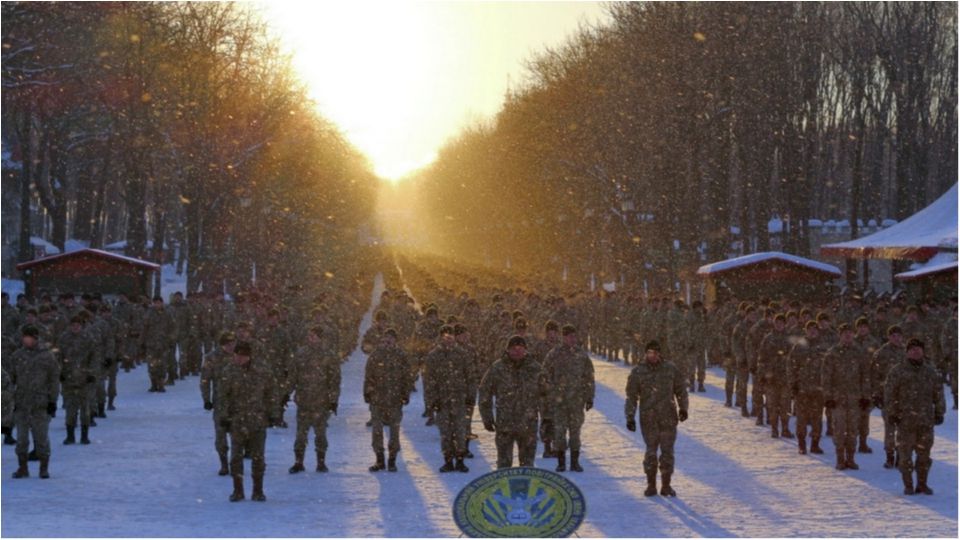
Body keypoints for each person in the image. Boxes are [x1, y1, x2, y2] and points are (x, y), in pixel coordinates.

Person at [625, 340, 688, 497]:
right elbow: (631, 396)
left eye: (656, 352)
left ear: (660, 353)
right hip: (649, 418)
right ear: (646, 353)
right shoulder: (638, 371)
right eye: (650, 352)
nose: (653, 356)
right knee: (651, 452)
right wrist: (630, 416)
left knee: (667, 452)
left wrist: (683, 408)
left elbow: (681, 390)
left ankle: (666, 485)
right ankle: (651, 485)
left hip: (668, 417)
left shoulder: (670, 369)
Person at [218, 341, 278, 502]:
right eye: (236, 355)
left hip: (257, 420)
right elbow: (222, 397)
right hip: (236, 421)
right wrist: (224, 417)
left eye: (242, 356)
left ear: (249, 356)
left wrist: (273, 414)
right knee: (236, 458)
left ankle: (258, 490)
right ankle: (237, 490)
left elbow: (271, 393)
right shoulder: (228, 371)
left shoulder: (262, 370)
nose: (238, 358)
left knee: (258, 457)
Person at [884, 338, 946, 495]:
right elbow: (890, 394)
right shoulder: (898, 371)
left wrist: (940, 412)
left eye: (918, 349)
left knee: (924, 455)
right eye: (912, 349)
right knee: (905, 456)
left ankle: (922, 484)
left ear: (923, 352)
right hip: (905, 421)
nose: (915, 351)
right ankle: (908, 485)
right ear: (907, 352)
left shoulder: (930, 372)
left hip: (926, 421)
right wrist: (892, 413)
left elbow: (938, 393)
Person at [479, 335, 547, 469]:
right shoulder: (497, 368)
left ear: (525, 350)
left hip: (528, 424)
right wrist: (487, 417)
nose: (517, 352)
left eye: (520, 349)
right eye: (514, 349)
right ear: (508, 350)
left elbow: (546, 394)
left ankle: (525, 482)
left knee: (527, 465)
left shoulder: (535, 369)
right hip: (505, 424)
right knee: (504, 465)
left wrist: (547, 418)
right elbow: (484, 392)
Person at [286, 326, 341, 474]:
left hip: (321, 401)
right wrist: (286, 392)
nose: (310, 339)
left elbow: (334, 380)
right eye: (309, 336)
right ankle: (298, 462)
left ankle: (321, 462)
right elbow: (293, 375)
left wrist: (333, 400)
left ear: (320, 338)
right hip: (303, 400)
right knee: (300, 434)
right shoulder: (300, 354)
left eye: (314, 336)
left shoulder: (329, 355)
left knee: (320, 434)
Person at [542, 325, 595, 472]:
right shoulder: (554, 354)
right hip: (559, 401)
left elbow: (589, 377)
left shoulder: (581, 355)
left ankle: (574, 462)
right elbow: (544, 375)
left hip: (576, 401)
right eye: (570, 336)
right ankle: (561, 462)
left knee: (575, 432)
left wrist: (589, 397)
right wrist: (548, 394)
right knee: (559, 433)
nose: (573, 339)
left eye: (574, 336)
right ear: (564, 337)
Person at [9, 325, 60, 478]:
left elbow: (54, 380)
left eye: (29, 337)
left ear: (36, 338)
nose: (26, 340)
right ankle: (22, 467)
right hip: (21, 403)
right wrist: (10, 401)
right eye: (24, 337)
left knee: (41, 439)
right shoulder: (17, 356)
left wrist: (52, 401)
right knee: (21, 440)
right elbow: (11, 379)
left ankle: (43, 468)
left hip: (40, 403)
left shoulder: (47, 356)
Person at [424, 325, 474, 473]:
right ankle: (448, 461)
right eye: (445, 336)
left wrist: (470, 397)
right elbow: (429, 381)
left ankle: (460, 460)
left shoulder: (462, 354)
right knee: (445, 433)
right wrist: (432, 401)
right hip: (442, 401)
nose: (448, 339)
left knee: (460, 431)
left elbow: (471, 377)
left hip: (460, 399)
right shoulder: (433, 356)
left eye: (450, 336)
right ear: (441, 337)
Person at [821, 323, 870, 471]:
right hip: (838, 398)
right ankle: (840, 459)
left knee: (853, 429)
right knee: (839, 429)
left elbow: (865, 376)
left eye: (850, 332)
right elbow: (826, 377)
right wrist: (828, 397)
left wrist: (865, 396)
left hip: (855, 398)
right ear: (840, 335)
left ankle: (851, 458)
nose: (848, 335)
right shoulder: (832, 353)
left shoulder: (859, 353)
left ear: (853, 335)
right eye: (844, 333)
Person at [364, 329, 412, 472]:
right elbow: (368, 376)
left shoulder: (401, 356)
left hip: (395, 399)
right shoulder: (375, 355)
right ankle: (379, 459)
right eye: (385, 338)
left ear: (395, 340)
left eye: (391, 338)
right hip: (377, 399)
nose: (388, 341)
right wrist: (367, 393)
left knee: (394, 431)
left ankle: (392, 460)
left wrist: (405, 394)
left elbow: (406, 377)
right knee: (377, 431)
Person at [200, 331, 236, 476]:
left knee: (238, 435)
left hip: (239, 402)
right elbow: (205, 380)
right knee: (221, 435)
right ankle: (224, 463)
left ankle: (236, 463)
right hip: (221, 402)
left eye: (233, 343)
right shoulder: (211, 357)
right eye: (228, 344)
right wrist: (206, 399)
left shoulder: (240, 356)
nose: (231, 347)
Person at [57, 315, 95, 445]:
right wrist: (60, 372)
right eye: (73, 325)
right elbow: (58, 357)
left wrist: (91, 373)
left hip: (84, 379)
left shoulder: (88, 338)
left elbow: (94, 357)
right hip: (68, 378)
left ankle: (84, 436)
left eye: (78, 325)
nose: (75, 328)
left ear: (81, 326)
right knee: (70, 409)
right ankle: (70, 435)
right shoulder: (64, 338)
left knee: (85, 409)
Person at [873, 325, 905, 468]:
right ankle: (890, 456)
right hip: (888, 396)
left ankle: (900, 455)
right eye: (893, 336)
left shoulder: (907, 352)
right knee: (890, 428)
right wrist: (877, 394)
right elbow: (874, 376)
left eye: (898, 336)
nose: (896, 338)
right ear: (888, 337)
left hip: (905, 397)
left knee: (903, 428)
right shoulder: (881, 353)